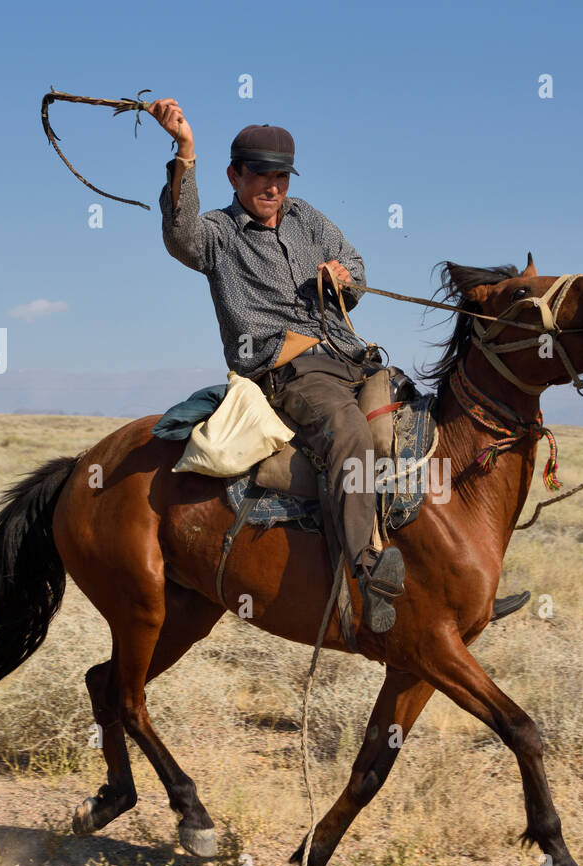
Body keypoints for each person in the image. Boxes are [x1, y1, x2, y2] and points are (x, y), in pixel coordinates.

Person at [149, 99, 405, 633]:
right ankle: (365, 573)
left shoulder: (307, 215)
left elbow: (356, 264)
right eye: (261, 177)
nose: (273, 188)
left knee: (419, 426)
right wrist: (184, 150)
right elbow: (180, 235)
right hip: (288, 372)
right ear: (234, 176)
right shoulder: (218, 232)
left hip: (349, 357)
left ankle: (441, 579)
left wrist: (343, 275)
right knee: (350, 436)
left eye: (281, 177)